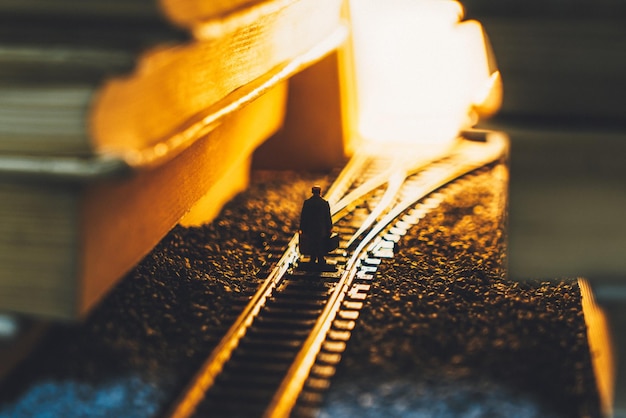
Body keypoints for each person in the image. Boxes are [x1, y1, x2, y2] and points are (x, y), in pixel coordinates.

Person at [299, 185, 332, 265]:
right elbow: (327, 217)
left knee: (312, 242)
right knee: (320, 243)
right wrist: (329, 227)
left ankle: (312, 258)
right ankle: (320, 258)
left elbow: (304, 216)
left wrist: (302, 228)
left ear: (312, 192)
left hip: (310, 228)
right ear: (320, 192)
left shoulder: (307, 203)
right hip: (321, 228)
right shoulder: (324, 203)